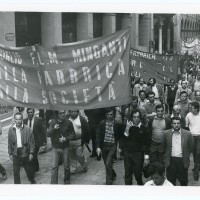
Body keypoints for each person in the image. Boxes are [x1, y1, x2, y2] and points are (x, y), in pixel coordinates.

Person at [120, 109, 150, 185]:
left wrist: (146, 157)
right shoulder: (127, 126)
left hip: (138, 154)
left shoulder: (144, 128)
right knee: (127, 174)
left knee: (138, 174)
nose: (136, 119)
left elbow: (147, 143)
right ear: (132, 118)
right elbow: (124, 139)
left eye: (138, 117)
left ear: (140, 118)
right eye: (134, 117)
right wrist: (127, 129)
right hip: (128, 154)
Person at [96, 107, 123, 185]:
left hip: (112, 145)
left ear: (113, 115)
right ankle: (113, 173)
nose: (109, 116)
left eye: (111, 114)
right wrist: (97, 147)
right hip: (104, 146)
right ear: (105, 115)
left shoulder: (117, 124)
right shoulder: (101, 124)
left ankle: (109, 183)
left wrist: (120, 147)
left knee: (108, 163)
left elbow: (120, 136)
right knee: (106, 163)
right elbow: (98, 135)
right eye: (108, 114)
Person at [47, 110, 76, 184]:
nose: (63, 114)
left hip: (65, 147)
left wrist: (65, 138)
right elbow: (48, 134)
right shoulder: (53, 122)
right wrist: (54, 129)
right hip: (55, 147)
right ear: (57, 114)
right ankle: (53, 183)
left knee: (66, 165)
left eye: (64, 113)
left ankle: (67, 180)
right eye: (61, 113)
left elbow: (73, 135)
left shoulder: (68, 122)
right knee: (54, 166)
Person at [163, 117, 194, 186]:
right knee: (170, 184)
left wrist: (186, 155)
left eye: (178, 123)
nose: (176, 125)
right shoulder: (166, 134)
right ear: (171, 124)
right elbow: (163, 147)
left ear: (181, 124)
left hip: (182, 161)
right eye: (174, 123)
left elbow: (191, 147)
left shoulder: (187, 134)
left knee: (183, 182)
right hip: (171, 161)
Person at [8, 112, 36, 184]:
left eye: (20, 119)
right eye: (16, 119)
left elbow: (32, 143)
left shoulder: (28, 129)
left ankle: (33, 182)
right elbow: (9, 142)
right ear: (14, 120)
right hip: (15, 153)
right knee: (16, 172)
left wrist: (31, 153)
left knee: (28, 170)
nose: (18, 121)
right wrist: (10, 153)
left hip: (25, 152)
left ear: (22, 119)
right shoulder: (11, 130)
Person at [23, 108, 46, 173]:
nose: (30, 114)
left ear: (34, 112)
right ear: (27, 113)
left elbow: (43, 131)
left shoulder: (38, 120)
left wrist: (44, 142)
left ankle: (32, 171)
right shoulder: (24, 121)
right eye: (29, 112)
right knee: (32, 156)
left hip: (36, 141)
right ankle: (36, 167)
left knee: (33, 155)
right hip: (28, 142)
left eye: (31, 112)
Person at [185, 101, 200, 181]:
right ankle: (196, 166)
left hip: (199, 137)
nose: (190, 109)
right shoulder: (188, 115)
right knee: (194, 153)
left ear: (197, 109)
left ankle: (196, 172)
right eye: (190, 107)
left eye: (192, 108)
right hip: (191, 137)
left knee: (198, 153)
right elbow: (186, 127)